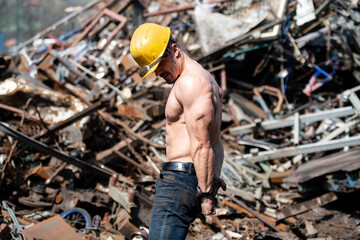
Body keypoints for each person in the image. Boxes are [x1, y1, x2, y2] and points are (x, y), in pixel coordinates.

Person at [130, 23, 226, 240]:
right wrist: (212, 178)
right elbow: (216, 140)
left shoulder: (191, 83)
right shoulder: (204, 79)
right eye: (152, 69)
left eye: (159, 64)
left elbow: (203, 144)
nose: (157, 73)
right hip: (184, 180)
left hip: (180, 181)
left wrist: (207, 194)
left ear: (174, 50)